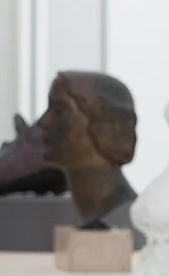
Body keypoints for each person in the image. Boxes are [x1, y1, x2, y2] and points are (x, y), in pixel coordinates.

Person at [33, 71, 137, 227]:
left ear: (103, 126)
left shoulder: (126, 220)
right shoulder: (99, 214)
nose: (43, 122)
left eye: (59, 111)